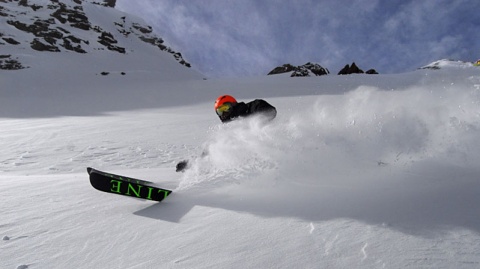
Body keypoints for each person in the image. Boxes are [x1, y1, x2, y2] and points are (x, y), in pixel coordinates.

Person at [176, 95, 277, 172]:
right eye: (220, 111)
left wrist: (248, 122)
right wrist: (192, 164)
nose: (224, 114)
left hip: (270, 152)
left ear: (233, 105)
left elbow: (271, 111)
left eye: (225, 108)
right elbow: (210, 151)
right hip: (246, 165)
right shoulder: (225, 131)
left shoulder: (252, 107)